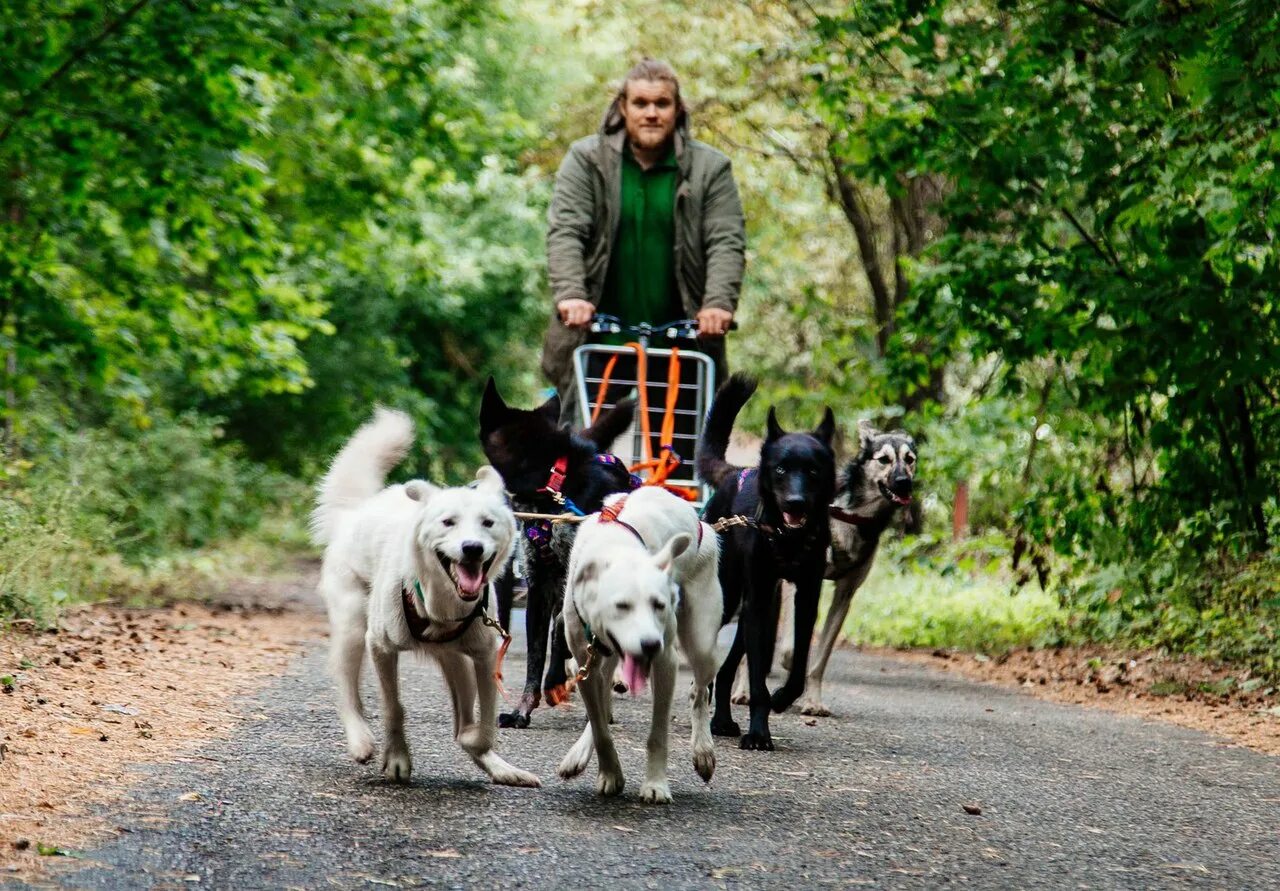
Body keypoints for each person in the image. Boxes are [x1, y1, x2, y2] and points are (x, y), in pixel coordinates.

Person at [540, 58, 746, 426]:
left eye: (661, 103)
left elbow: (725, 240)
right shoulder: (587, 160)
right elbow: (567, 231)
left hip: (682, 340)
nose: (651, 113)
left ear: (677, 109)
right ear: (623, 107)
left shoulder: (710, 169)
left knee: (683, 456)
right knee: (577, 450)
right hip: (600, 336)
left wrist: (717, 304)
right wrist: (571, 294)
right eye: (640, 103)